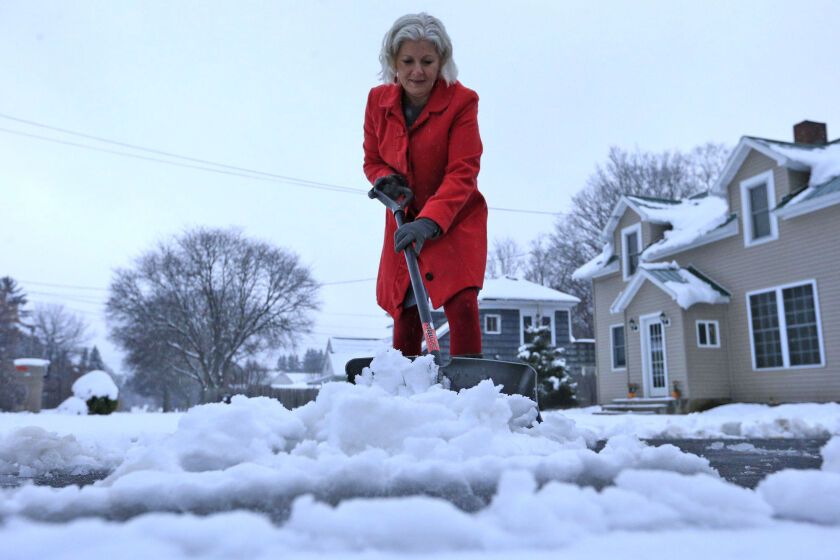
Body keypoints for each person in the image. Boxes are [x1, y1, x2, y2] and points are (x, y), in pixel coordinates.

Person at [363, 13, 487, 358]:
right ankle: (407, 396)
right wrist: (384, 180)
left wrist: (430, 222)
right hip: (404, 217)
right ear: (393, 63)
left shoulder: (462, 103)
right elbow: (372, 159)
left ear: (442, 61)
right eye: (408, 61)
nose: (418, 71)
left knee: (461, 303)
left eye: (428, 61)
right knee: (406, 309)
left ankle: (468, 392)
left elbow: (463, 171)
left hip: (454, 217)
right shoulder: (377, 102)